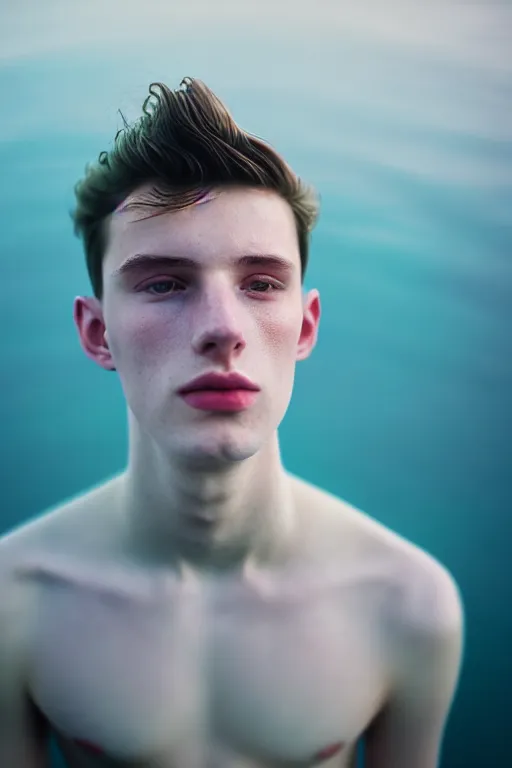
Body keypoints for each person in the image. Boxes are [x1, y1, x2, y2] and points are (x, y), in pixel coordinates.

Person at [0, 77, 464, 768]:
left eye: (260, 283)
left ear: (305, 326)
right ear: (98, 334)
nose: (223, 329)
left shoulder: (406, 605)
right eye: (164, 282)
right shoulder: (14, 606)